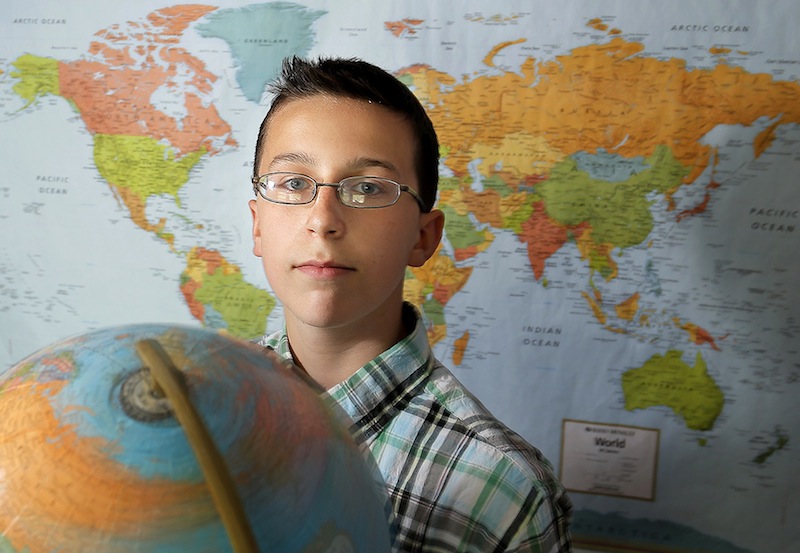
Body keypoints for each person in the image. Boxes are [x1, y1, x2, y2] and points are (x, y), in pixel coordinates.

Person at [249, 56, 572, 552]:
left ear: (424, 237)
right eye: (294, 183)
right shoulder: (193, 401)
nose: (323, 220)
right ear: (257, 225)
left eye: (368, 188)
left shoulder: (501, 489)